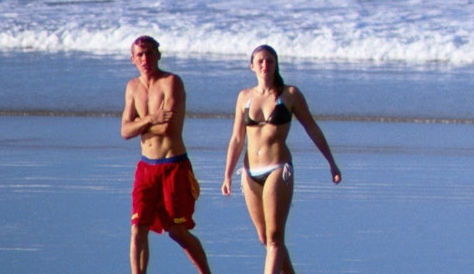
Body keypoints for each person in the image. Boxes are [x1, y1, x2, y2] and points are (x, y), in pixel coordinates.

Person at [223, 44, 342, 274]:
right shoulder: (244, 97)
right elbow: (237, 138)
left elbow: (312, 128)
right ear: (252, 66)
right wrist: (227, 174)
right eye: (260, 61)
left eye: (270, 60)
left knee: (275, 237)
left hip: (278, 168)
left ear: (276, 64)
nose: (265, 65)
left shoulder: (290, 95)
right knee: (264, 238)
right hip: (250, 173)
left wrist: (331, 162)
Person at [120, 35, 213, 274]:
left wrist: (139, 124)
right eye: (140, 54)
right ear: (132, 59)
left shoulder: (171, 82)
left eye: (150, 53)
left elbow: (168, 127)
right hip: (146, 167)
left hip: (174, 165)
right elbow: (124, 131)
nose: (145, 58)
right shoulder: (132, 87)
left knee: (177, 231)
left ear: (158, 55)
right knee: (137, 227)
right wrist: (150, 118)